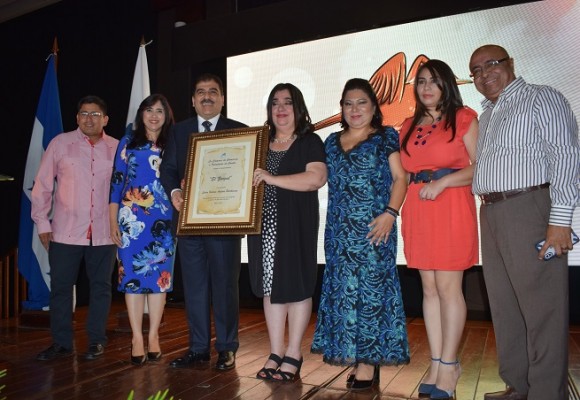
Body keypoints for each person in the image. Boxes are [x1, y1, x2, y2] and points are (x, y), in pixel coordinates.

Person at [469, 44, 579, 400]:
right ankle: (520, 387)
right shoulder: (487, 114)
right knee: (505, 306)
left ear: (510, 64)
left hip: (529, 208)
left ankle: (547, 394)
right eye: (476, 70)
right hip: (491, 211)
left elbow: (565, 156)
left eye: (492, 64)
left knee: (542, 309)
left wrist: (560, 221)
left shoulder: (541, 97)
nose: (485, 74)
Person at [311, 78, 410, 390]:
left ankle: (368, 363)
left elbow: (400, 177)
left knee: (370, 295)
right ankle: (357, 357)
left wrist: (390, 214)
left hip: (374, 230)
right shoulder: (329, 142)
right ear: (341, 108)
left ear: (373, 107)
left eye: (361, 102)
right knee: (344, 294)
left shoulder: (385, 137)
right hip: (338, 233)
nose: (354, 109)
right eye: (348, 103)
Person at [399, 59, 478, 399]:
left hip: (450, 204)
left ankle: (449, 366)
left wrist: (444, 183)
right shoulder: (406, 125)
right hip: (418, 207)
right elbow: (403, 172)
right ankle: (435, 363)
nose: (426, 87)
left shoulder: (464, 117)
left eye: (434, 81)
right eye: (421, 81)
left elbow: (482, 168)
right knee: (428, 290)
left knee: (448, 289)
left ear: (447, 84)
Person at [159, 73, 247, 371]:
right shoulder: (178, 131)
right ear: (193, 100)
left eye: (213, 92)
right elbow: (169, 169)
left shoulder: (240, 131)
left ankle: (226, 348)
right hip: (189, 222)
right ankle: (198, 349)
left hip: (225, 223)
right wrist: (174, 192)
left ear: (222, 98)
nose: (207, 96)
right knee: (194, 288)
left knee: (225, 287)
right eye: (201, 92)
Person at [248, 83, 327, 382]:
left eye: (288, 103)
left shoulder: (310, 141)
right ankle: (275, 351)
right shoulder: (258, 143)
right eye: (275, 103)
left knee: (295, 287)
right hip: (262, 229)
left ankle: (294, 352)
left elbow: (315, 178)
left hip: (295, 226)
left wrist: (271, 178)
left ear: (299, 108)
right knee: (270, 288)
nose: (281, 109)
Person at [31, 95, 119, 361]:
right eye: (84, 113)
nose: (89, 119)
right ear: (77, 118)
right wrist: (43, 223)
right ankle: (61, 343)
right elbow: (42, 186)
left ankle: (96, 341)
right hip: (65, 232)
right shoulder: (60, 144)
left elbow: (126, 190)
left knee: (101, 287)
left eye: (95, 114)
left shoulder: (117, 148)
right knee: (60, 288)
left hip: (104, 232)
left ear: (105, 119)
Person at [109, 94, 177, 365]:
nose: (154, 115)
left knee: (160, 280)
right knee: (132, 281)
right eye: (149, 110)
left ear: (166, 116)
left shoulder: (174, 144)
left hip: (164, 220)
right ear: (141, 113)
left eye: (160, 110)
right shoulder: (128, 142)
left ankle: (153, 337)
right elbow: (116, 183)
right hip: (130, 221)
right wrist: (113, 221)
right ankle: (137, 337)